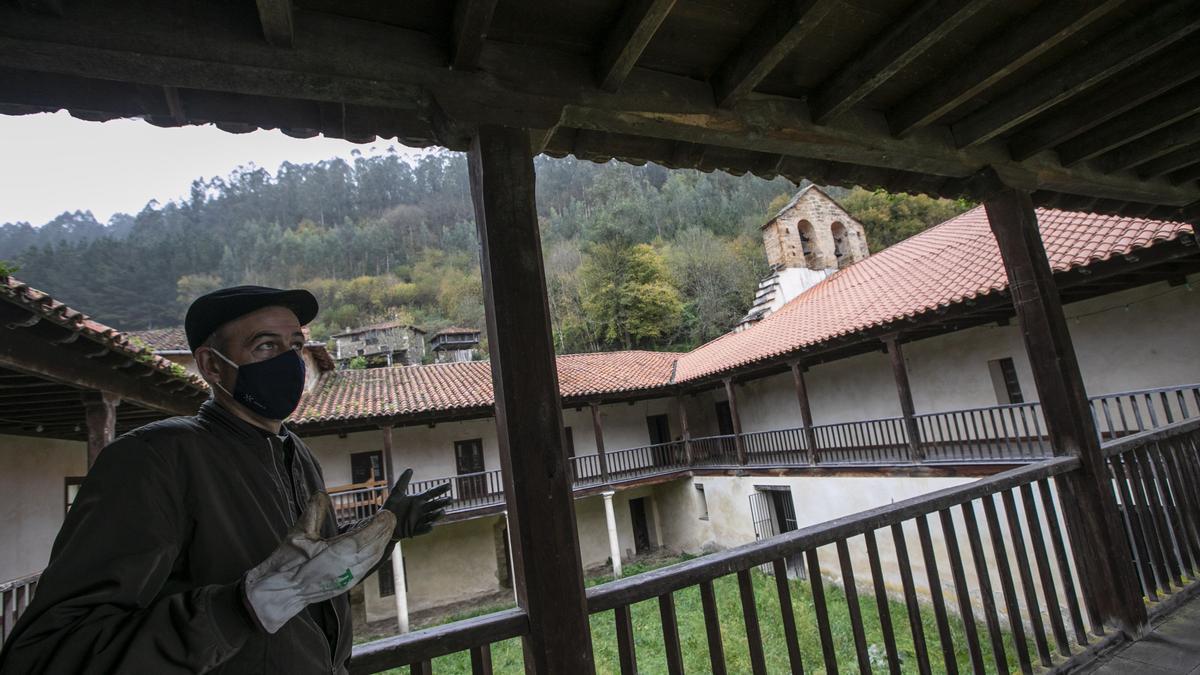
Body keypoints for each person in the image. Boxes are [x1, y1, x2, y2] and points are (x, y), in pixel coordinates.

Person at [0, 286, 451, 674]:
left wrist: (386, 530)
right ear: (212, 367)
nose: (290, 362)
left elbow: (306, 578)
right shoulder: (154, 461)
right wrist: (239, 607)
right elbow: (50, 654)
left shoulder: (298, 455)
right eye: (265, 347)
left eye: (295, 345)